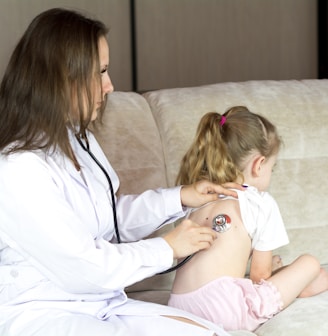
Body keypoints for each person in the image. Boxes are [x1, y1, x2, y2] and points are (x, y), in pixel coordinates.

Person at [0, 8, 244, 336]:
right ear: (62, 76)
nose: (110, 86)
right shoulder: (17, 169)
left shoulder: (75, 138)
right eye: (100, 72)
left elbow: (109, 219)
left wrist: (182, 196)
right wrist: (169, 247)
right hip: (43, 313)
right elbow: (84, 265)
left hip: (102, 303)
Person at [168, 107, 328, 332]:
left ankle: (297, 282)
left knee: (297, 274)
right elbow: (259, 277)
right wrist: (274, 271)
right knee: (312, 265)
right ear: (259, 164)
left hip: (179, 309)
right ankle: (302, 284)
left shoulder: (197, 196)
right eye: (272, 168)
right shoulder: (260, 202)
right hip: (225, 312)